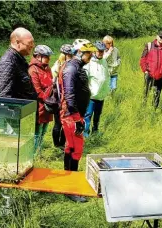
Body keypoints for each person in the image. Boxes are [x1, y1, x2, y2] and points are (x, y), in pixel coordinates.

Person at [58, 39, 97, 202]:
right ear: (80, 52)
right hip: (71, 115)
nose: (91, 56)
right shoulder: (71, 69)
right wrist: (77, 119)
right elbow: (69, 95)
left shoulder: (76, 66)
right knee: (76, 150)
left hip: (73, 114)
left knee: (70, 147)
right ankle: (71, 189)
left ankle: (68, 182)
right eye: (89, 53)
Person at [0, 27, 36, 135]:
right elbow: (3, 95)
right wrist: (13, 123)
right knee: (11, 150)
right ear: (18, 42)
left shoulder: (18, 59)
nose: (32, 46)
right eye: (30, 43)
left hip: (18, 117)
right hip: (11, 122)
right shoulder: (8, 62)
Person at [28, 45, 55, 153]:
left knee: (44, 129)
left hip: (48, 104)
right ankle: (33, 153)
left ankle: (39, 150)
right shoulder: (33, 69)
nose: (49, 59)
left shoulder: (47, 68)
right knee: (37, 131)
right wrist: (48, 98)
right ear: (38, 56)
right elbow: (37, 90)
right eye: (47, 57)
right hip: (39, 105)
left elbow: (51, 82)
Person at [140, 30, 162, 109]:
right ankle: (143, 108)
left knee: (157, 93)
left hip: (161, 75)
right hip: (149, 74)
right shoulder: (149, 45)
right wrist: (145, 70)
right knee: (146, 92)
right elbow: (142, 59)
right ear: (157, 36)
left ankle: (154, 109)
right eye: (161, 37)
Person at [83, 41, 110, 138]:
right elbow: (85, 80)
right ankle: (85, 134)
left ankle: (95, 131)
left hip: (101, 96)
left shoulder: (104, 61)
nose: (100, 53)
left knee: (97, 116)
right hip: (91, 96)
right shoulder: (89, 63)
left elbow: (107, 76)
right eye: (98, 51)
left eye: (102, 51)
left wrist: (107, 90)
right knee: (88, 115)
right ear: (94, 51)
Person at [51, 44, 73, 149]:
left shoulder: (62, 66)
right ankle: (58, 145)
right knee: (60, 124)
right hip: (60, 99)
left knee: (62, 123)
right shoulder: (59, 66)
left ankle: (60, 144)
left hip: (62, 99)